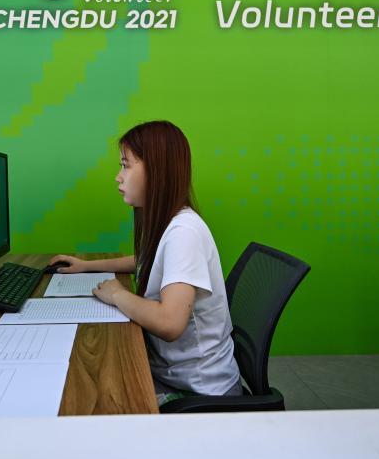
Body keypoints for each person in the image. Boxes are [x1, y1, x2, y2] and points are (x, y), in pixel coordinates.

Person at [50, 120, 241, 404]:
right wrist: (86, 266)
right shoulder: (171, 223)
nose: (118, 177)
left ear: (156, 170)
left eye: (125, 165)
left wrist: (117, 295)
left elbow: (169, 323)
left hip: (201, 391)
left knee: (97, 393)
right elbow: (145, 261)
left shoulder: (184, 232)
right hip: (172, 371)